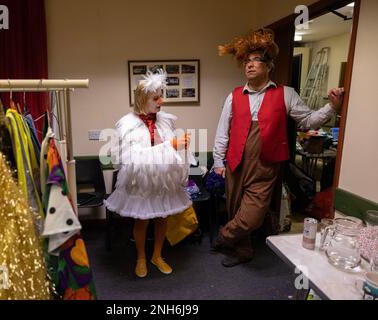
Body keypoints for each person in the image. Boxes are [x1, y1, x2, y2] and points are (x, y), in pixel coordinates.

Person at [212, 28, 344, 267]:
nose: (249, 65)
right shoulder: (233, 96)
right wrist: (218, 162)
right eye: (247, 61)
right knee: (234, 208)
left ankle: (224, 236)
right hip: (235, 162)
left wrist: (332, 108)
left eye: (256, 61)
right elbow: (223, 132)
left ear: (269, 65)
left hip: (265, 165)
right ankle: (244, 250)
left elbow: (308, 121)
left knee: (251, 215)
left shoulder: (286, 94)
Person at [104, 69, 192, 278]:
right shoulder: (127, 125)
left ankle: (157, 255)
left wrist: (179, 149)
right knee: (141, 221)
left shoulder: (164, 121)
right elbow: (132, 158)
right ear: (143, 99)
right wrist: (171, 145)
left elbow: (170, 152)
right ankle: (141, 257)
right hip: (140, 181)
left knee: (162, 218)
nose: (161, 101)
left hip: (162, 179)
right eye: (156, 97)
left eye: (162, 96)